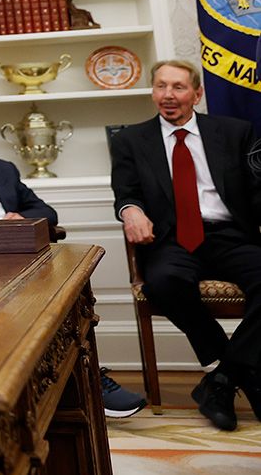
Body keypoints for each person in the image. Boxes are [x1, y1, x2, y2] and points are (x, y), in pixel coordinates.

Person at [0, 100, 147, 419]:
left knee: (65, 298)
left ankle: (88, 380)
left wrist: (20, 219)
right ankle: (78, 387)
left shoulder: (3, 170)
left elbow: (47, 213)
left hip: (18, 262)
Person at [110, 59, 261, 430]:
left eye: (178, 87)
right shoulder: (131, 140)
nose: (168, 95)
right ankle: (243, 375)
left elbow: (257, 191)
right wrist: (130, 211)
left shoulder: (235, 132)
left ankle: (222, 378)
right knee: (163, 282)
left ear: (197, 93)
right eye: (160, 86)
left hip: (230, 235)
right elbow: (126, 193)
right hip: (171, 239)